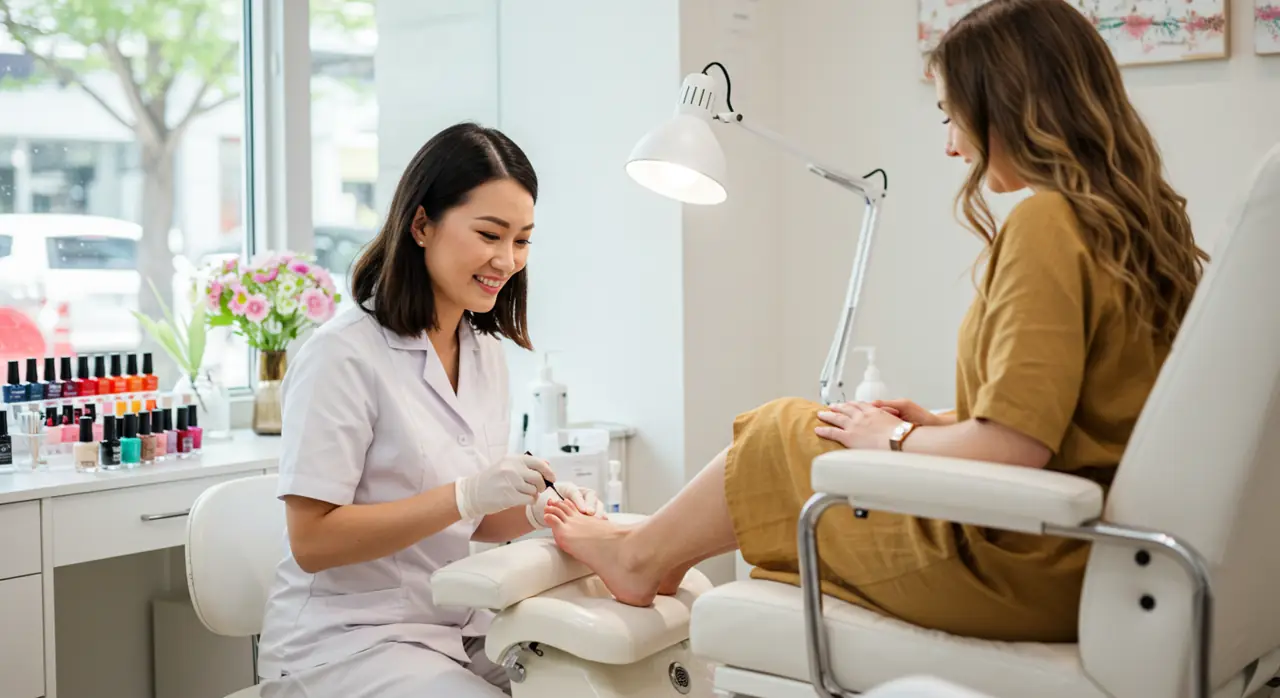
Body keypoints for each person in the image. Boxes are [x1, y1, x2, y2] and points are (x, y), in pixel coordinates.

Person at [540, 0, 1209, 643]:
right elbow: (1092, 414)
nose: (952, 147)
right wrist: (941, 424)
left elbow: (1013, 449)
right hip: (1091, 552)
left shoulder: (1049, 223)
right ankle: (653, 545)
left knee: (780, 431)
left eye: (953, 117)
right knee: (815, 429)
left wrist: (890, 438)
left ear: (1005, 106)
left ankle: (640, 560)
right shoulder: (1145, 229)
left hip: (1021, 563)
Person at [257, 122, 605, 698]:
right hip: (348, 642)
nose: (507, 259)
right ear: (422, 225)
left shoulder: (483, 353)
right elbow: (313, 541)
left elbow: (473, 518)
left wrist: (542, 507)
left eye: (522, 240)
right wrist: (465, 494)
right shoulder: (343, 355)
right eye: (490, 234)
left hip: (455, 625)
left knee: (590, 685)